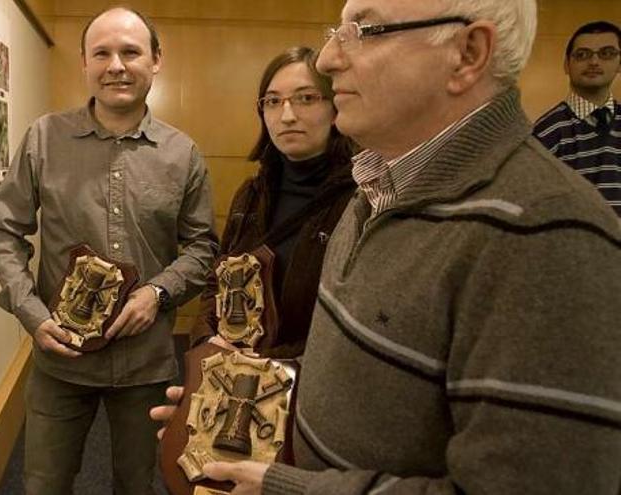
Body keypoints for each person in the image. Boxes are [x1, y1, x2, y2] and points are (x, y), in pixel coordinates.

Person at [153, 1, 621, 494]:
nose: (331, 58)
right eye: (338, 31)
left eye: (365, 31)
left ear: (468, 53)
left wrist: (292, 489)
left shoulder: (549, 235)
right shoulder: (375, 189)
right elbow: (361, 379)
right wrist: (227, 405)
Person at [0, 7, 218, 495]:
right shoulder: (44, 139)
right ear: (84, 64)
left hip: (145, 363)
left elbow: (201, 248)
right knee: (44, 483)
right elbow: (4, 231)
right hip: (59, 359)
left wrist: (157, 292)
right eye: (102, 53)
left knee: (137, 484)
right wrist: (30, 312)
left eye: (130, 52)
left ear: (155, 60)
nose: (116, 65)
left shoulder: (183, 154)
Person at [189, 46, 356, 358]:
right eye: (273, 101)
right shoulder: (251, 194)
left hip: (311, 387)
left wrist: (269, 365)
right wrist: (205, 341)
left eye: (306, 98)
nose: (287, 115)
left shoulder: (361, 201)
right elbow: (218, 281)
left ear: (335, 107)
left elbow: (356, 321)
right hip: (235, 377)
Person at [533, 21, 620, 215]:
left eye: (606, 53)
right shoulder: (547, 131)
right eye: (582, 55)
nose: (594, 62)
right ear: (566, 64)